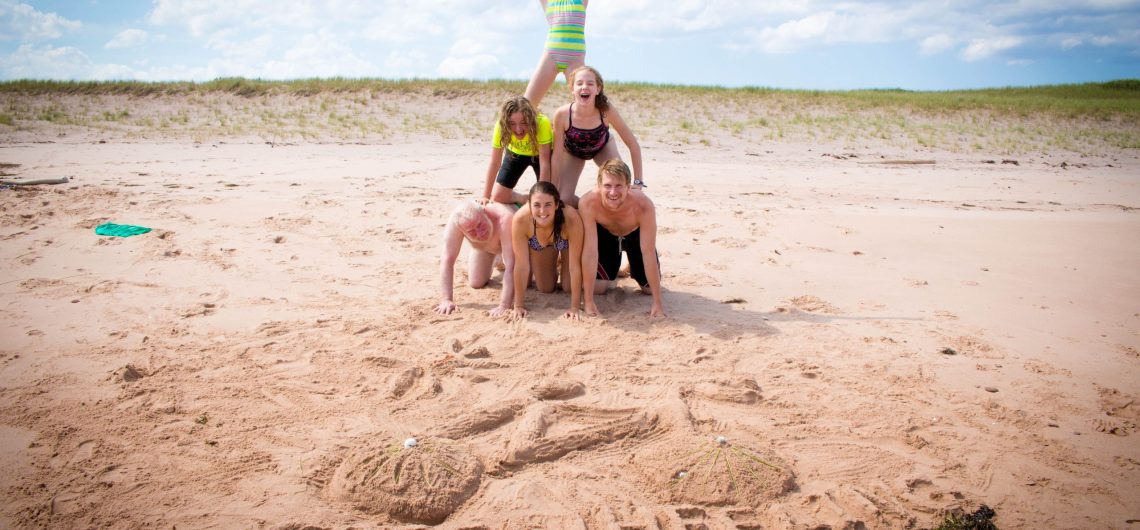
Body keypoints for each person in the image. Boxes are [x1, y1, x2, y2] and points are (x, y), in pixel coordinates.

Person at [580, 159, 664, 317]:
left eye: (619, 186)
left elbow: (648, 253)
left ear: (628, 187)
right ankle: (618, 269)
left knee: (647, 290)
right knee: (598, 289)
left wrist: (657, 303)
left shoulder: (644, 205)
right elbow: (590, 251)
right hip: (607, 236)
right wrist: (588, 301)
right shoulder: (588, 203)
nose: (613, 192)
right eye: (607, 186)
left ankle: (630, 265)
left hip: (635, 236)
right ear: (599, 186)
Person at [551, 65, 644, 208]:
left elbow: (633, 144)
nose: (584, 87)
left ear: (598, 89)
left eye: (590, 83)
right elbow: (556, 157)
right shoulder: (562, 115)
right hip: (572, 152)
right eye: (579, 83)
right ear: (572, 88)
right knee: (563, 199)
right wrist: (551, 189)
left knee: (619, 190)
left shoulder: (605, 110)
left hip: (602, 147)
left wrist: (638, 182)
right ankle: (586, 206)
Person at [509, 181, 585, 320]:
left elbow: (575, 266)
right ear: (529, 205)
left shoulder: (571, 218)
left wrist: (574, 307)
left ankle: (561, 261)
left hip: (565, 244)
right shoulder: (520, 219)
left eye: (548, 205)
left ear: (556, 205)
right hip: (539, 245)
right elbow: (521, 266)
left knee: (568, 287)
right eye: (537, 205)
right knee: (545, 288)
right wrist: (518, 305)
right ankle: (554, 264)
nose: (542, 211)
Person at [435, 200, 517, 317]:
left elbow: (511, 267)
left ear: (485, 212)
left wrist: (504, 305)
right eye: (471, 231)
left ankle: (502, 256)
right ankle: (497, 258)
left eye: (480, 225)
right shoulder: (456, 222)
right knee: (476, 282)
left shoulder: (504, 218)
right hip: (485, 248)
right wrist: (446, 299)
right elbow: (447, 259)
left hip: (515, 245)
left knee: (524, 279)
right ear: (462, 230)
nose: (479, 233)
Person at [482, 96, 553, 206]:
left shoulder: (541, 123)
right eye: (512, 124)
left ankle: (536, 198)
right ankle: (526, 199)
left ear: (530, 119)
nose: (518, 129)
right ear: (506, 122)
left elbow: (545, 163)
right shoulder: (500, 127)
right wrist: (485, 196)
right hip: (516, 154)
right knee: (498, 197)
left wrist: (541, 197)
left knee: (550, 195)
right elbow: (495, 163)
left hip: (541, 156)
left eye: (524, 122)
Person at [524, 0, 588, 110]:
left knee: (588, 106)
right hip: (551, 56)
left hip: (575, 58)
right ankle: (506, 127)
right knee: (526, 106)